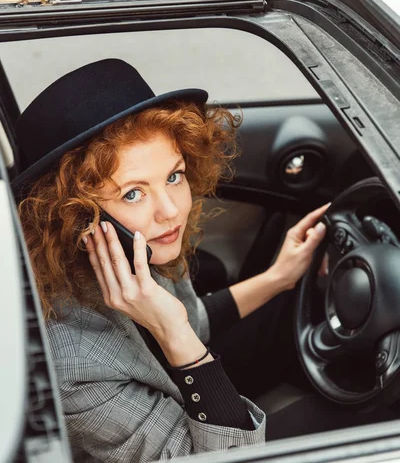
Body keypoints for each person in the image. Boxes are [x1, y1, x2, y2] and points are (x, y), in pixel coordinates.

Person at [14, 59, 329, 462]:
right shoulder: (75, 367)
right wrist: (175, 334)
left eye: (174, 176)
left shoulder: (136, 252)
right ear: (71, 214)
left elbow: (193, 317)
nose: (171, 211)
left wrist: (279, 278)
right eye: (133, 193)